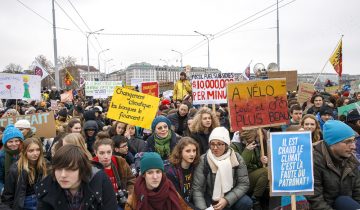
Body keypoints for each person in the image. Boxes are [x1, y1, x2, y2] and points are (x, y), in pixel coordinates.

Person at [36, 145, 118, 210]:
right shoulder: (47, 185)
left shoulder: (99, 180)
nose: (63, 175)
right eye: (58, 169)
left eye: (71, 169)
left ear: (82, 169)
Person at [192, 127, 252, 210]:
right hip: (211, 197)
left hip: (230, 196)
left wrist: (227, 200)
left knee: (246, 202)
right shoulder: (204, 160)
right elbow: (197, 189)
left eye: (219, 144)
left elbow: (244, 184)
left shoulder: (236, 158)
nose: (215, 148)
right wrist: (203, 208)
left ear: (226, 144)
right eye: (212, 144)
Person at [305, 120, 360, 210]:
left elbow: (358, 192)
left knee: (343, 200)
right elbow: (315, 200)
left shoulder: (351, 160)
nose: (353, 146)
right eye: (348, 142)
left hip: (345, 204)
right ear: (332, 143)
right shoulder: (314, 162)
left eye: (353, 141)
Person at [125, 152, 192, 210]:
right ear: (143, 175)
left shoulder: (170, 189)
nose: (155, 177)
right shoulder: (135, 196)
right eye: (150, 172)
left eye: (158, 172)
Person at [1, 138, 47, 209]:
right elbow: (7, 197)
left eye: (38, 150)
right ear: (24, 151)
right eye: (31, 151)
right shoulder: (15, 170)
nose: (35, 153)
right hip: (24, 203)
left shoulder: (45, 165)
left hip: (42, 201)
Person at [231, 129, 268, 210]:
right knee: (265, 172)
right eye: (249, 140)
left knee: (267, 177)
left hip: (251, 175)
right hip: (240, 179)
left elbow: (256, 164)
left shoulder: (253, 144)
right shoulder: (234, 146)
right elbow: (239, 167)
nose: (252, 141)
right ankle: (255, 200)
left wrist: (261, 161)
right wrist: (247, 151)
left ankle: (258, 200)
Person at [165, 137, 200, 208]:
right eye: (188, 151)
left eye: (194, 150)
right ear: (180, 152)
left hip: (191, 202)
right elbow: (178, 198)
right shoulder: (171, 172)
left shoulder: (196, 167)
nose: (192, 154)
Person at [0, 125, 24, 191]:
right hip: (9, 191)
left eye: (17, 141)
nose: (14, 144)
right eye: (10, 141)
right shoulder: (1, 156)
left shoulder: (26, 152)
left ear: (21, 141)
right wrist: (3, 190)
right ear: (5, 143)